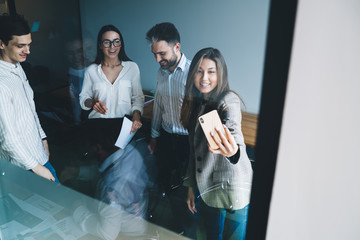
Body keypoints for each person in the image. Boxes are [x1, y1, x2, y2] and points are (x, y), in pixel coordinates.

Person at [180, 48, 253, 240]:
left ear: (220, 74)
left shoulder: (229, 100)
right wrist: (190, 187)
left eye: (211, 71)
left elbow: (233, 130)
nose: (205, 77)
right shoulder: (196, 103)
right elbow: (193, 151)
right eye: (199, 71)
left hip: (233, 185)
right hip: (209, 187)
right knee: (213, 235)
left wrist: (232, 150)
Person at [146, 22, 197, 237]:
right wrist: (154, 136)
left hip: (188, 142)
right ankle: (175, 228)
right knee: (167, 182)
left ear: (177, 46)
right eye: (155, 54)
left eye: (162, 53)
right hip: (166, 137)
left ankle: (188, 232)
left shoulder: (196, 73)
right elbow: (158, 104)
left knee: (188, 192)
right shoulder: (161, 71)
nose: (158, 60)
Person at [72, 119, 153, 240]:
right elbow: (107, 167)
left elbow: (108, 234)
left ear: (97, 148)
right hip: (139, 221)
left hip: (125, 234)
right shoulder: (132, 150)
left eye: (89, 149)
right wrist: (78, 172)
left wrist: (77, 210)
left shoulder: (111, 187)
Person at [0, 15, 59, 182]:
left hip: (38, 154)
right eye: (21, 46)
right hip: (22, 166)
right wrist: (37, 167)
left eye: (29, 45)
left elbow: (29, 109)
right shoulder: (1, 84)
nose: (28, 51)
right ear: (1, 43)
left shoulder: (18, 67)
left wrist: (42, 137)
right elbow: (8, 140)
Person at [79, 25, 144, 133]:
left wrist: (136, 115)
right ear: (100, 45)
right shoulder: (91, 70)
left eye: (116, 41)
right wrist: (92, 102)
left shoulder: (132, 68)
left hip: (125, 125)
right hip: (97, 125)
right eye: (106, 42)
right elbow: (83, 98)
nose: (112, 46)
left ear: (121, 44)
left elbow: (137, 97)